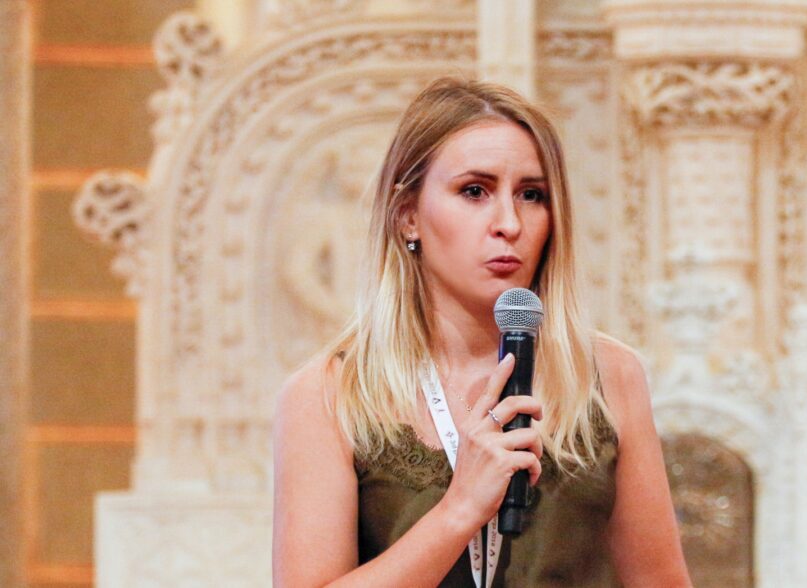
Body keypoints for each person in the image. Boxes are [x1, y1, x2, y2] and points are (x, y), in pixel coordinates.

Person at [272, 76, 692, 587]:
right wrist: (460, 508)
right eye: (475, 191)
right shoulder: (330, 393)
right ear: (408, 216)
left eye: (531, 195)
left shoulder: (609, 374)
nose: (509, 223)